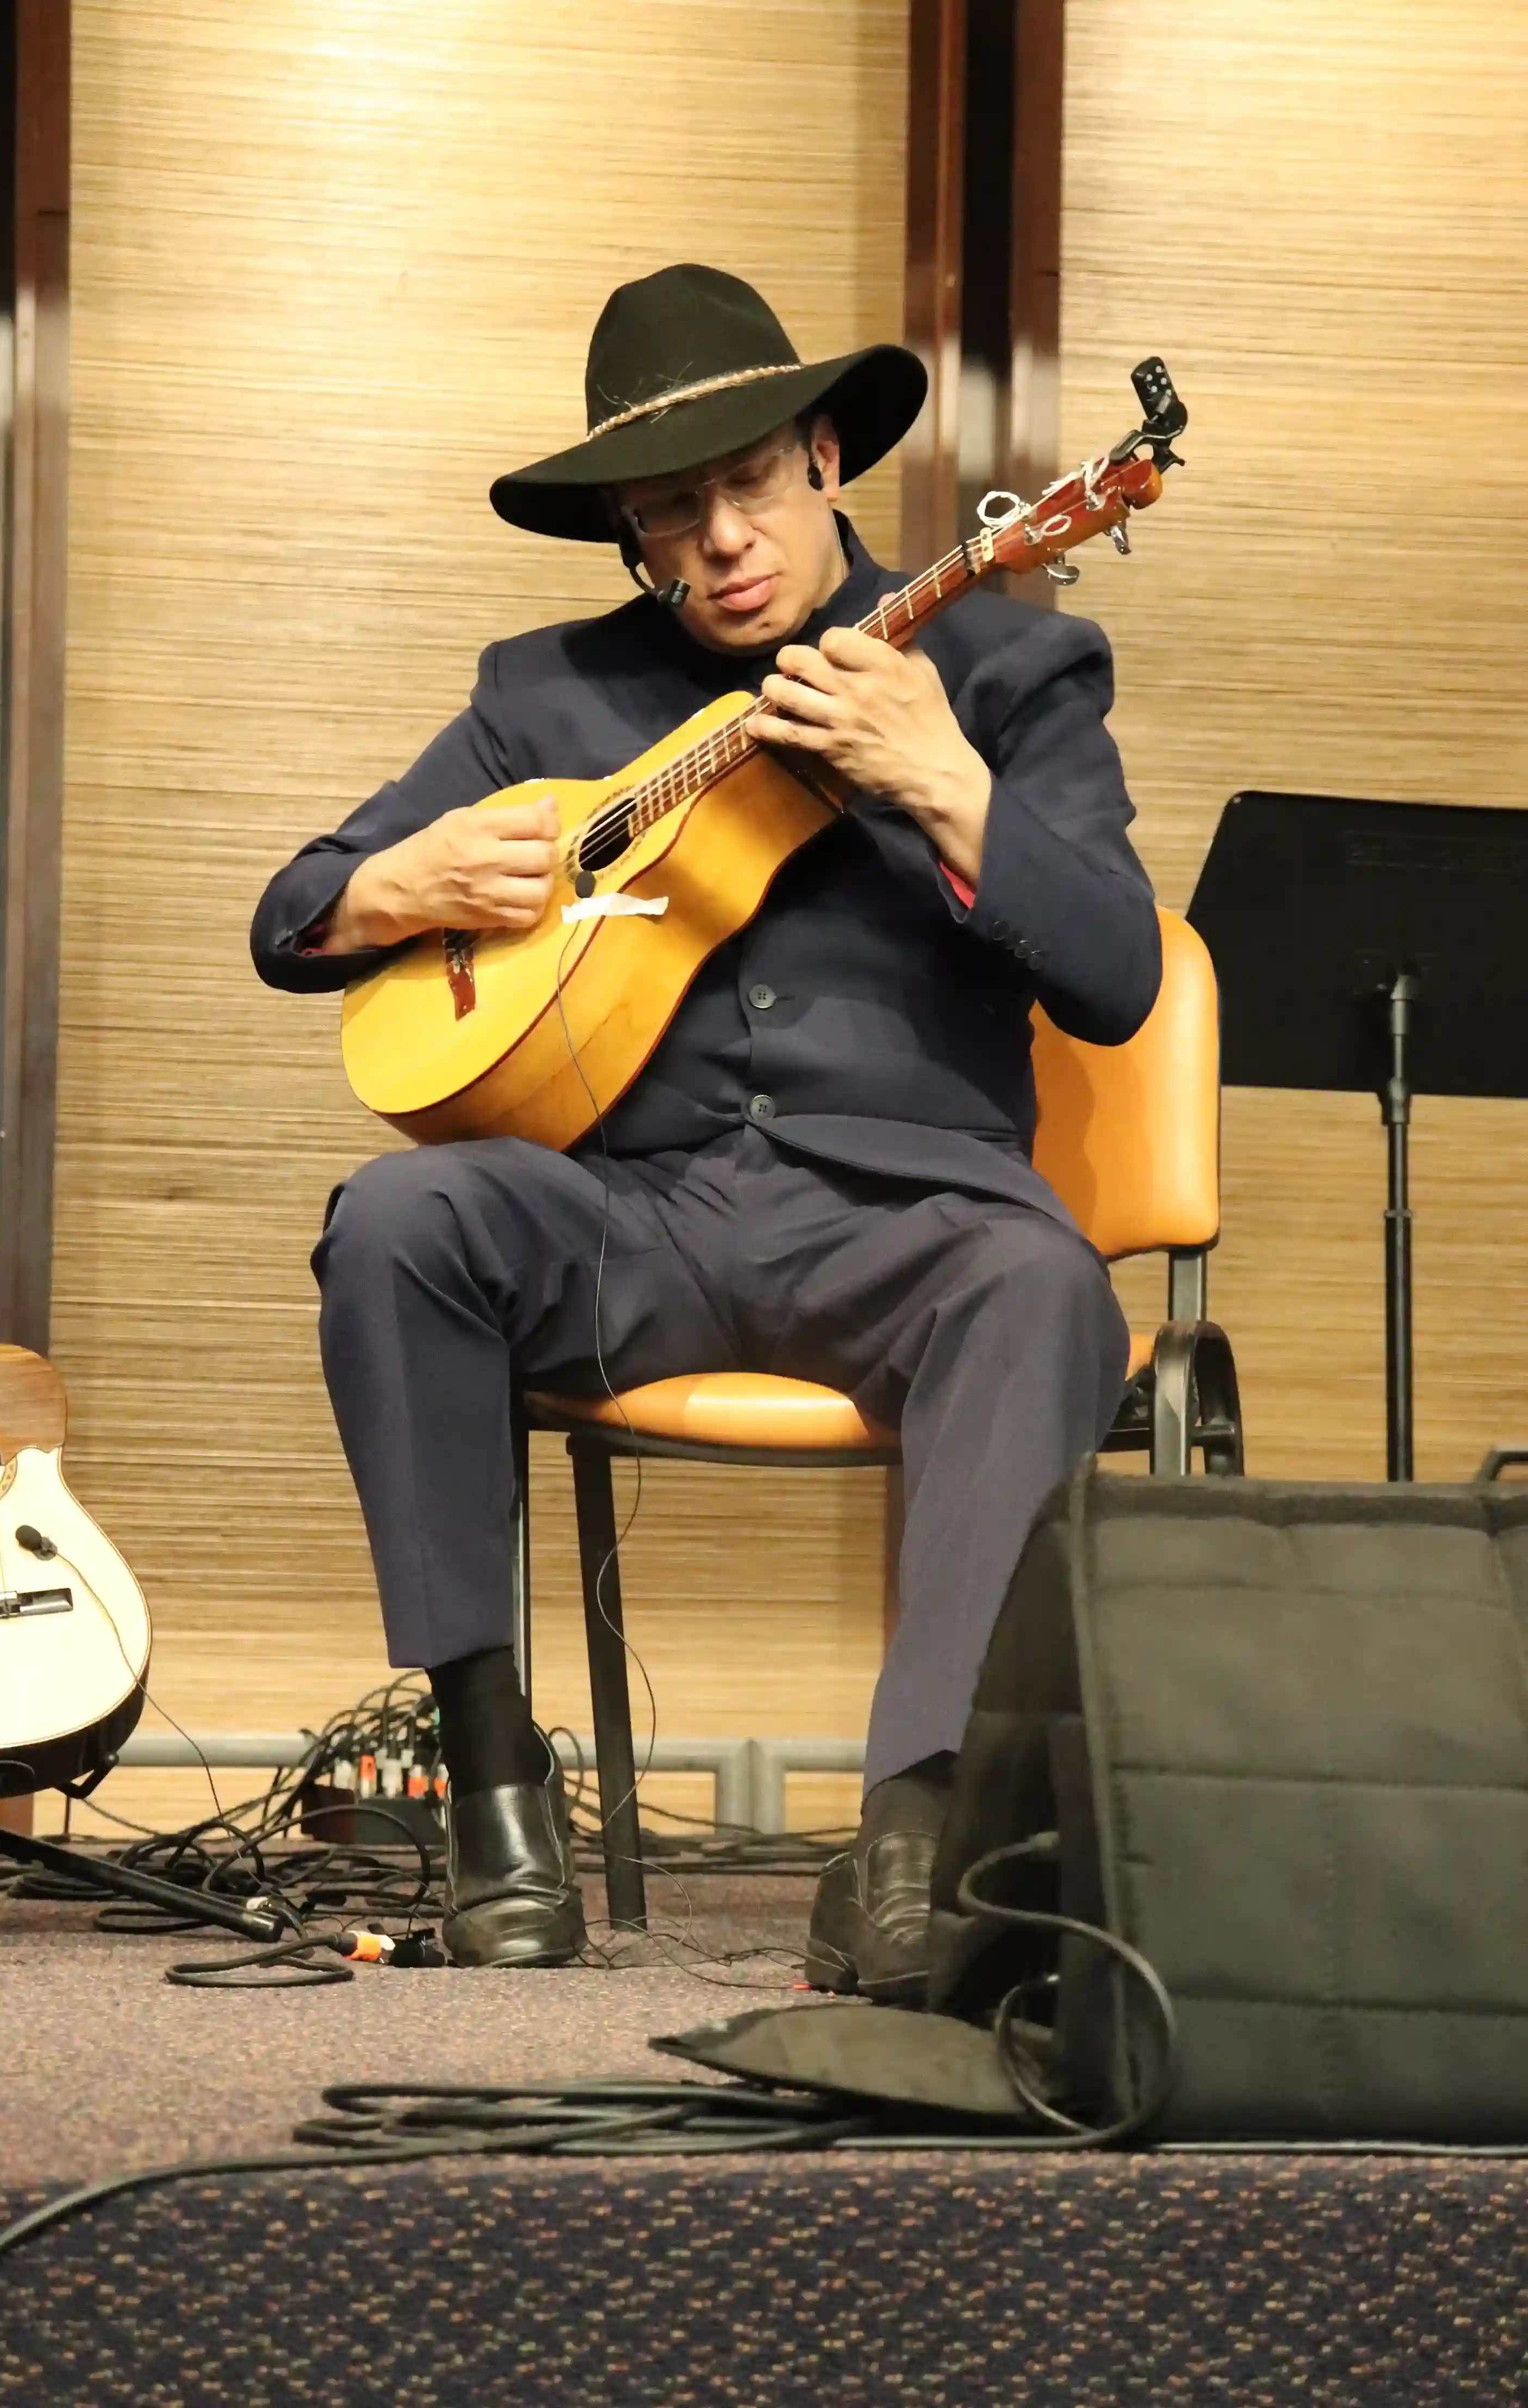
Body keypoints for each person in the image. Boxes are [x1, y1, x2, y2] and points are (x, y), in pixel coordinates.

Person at [251, 262, 1160, 1997]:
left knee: (1046, 1290)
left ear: (827, 456)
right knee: (398, 1223)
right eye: (675, 515)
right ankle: (497, 1793)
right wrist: (392, 884)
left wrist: (945, 780)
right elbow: (291, 913)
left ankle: (914, 1839)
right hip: (631, 1224)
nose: (724, 540)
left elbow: (1117, 973)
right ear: (631, 542)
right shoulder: (547, 697)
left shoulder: (1011, 662)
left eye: (751, 484)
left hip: (906, 1227)